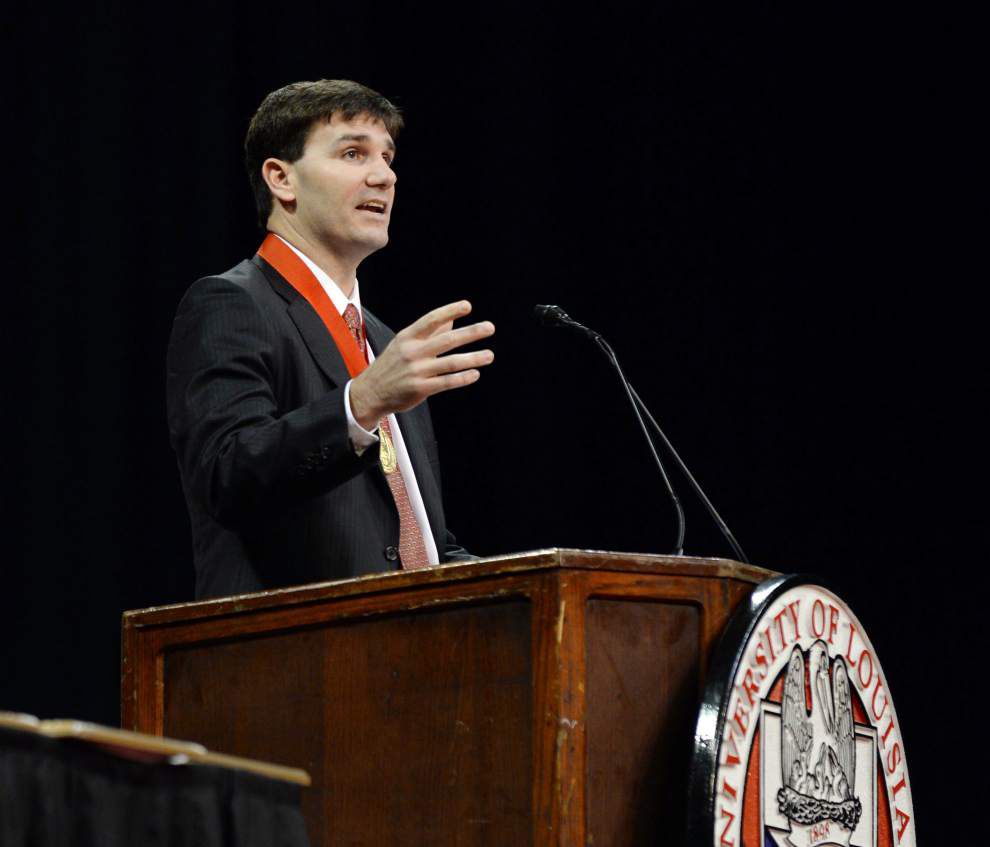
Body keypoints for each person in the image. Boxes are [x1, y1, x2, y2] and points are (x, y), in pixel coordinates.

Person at [166, 80, 494, 599]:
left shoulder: (385, 343)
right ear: (281, 179)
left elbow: (414, 537)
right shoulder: (230, 304)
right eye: (352, 153)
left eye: (387, 157)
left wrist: (512, 585)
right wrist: (360, 402)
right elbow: (227, 476)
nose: (384, 176)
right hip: (292, 658)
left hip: (414, 648)